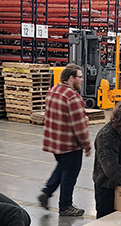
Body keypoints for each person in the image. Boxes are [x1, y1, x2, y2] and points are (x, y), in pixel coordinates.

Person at [39, 64, 91, 217]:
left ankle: (46, 192)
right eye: (79, 77)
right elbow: (79, 126)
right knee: (70, 176)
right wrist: (86, 145)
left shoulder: (53, 91)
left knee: (62, 168)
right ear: (71, 78)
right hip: (70, 145)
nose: (82, 80)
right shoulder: (73, 97)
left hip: (54, 142)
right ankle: (65, 206)